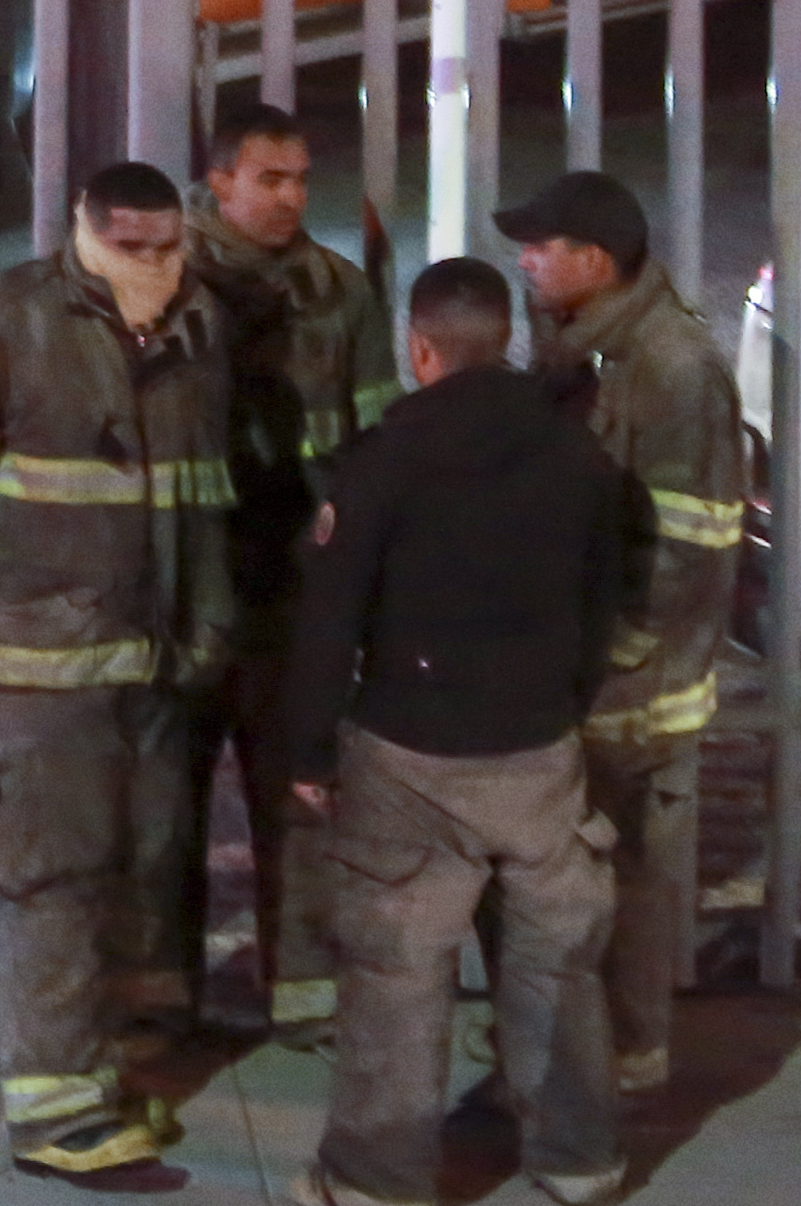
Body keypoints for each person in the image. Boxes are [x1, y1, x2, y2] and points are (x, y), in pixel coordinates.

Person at [0, 160, 239, 1185]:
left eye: (165, 249)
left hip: (152, 660)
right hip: (45, 672)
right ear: (84, 238)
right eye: (130, 250)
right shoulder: (7, 320)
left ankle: (103, 1069)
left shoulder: (198, 326)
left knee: (128, 867)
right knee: (52, 878)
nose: (152, 269)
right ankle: (55, 1114)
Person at [277, 255, 629, 1206]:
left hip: (409, 753)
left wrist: (308, 750)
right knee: (554, 957)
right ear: (503, 340)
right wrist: (565, 697)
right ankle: (578, 1158)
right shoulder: (575, 455)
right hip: (537, 747)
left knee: (397, 971)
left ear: (419, 350)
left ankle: (375, 1181)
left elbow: (329, 617)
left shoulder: (382, 461)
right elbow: (604, 602)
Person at [501, 167, 742, 1099]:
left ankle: (633, 1055)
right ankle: (589, 1043)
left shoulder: (671, 366)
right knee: (582, 869)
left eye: (539, 247)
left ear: (593, 262)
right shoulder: (580, 340)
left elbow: (693, 543)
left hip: (638, 682)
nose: (523, 261)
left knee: (632, 876)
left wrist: (625, 647)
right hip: (586, 665)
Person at [178, 103, 398, 1041]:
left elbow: (374, 439)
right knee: (164, 812)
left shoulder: (337, 292)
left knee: (299, 804)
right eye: (269, 179)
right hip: (186, 589)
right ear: (218, 181)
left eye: (301, 179)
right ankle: (162, 1004)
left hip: (288, 595)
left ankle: (305, 1001)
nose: (291, 197)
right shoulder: (167, 281)